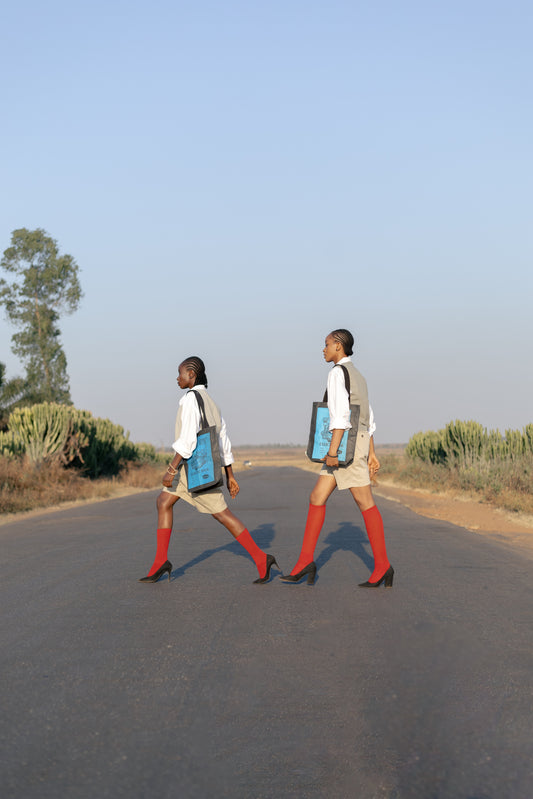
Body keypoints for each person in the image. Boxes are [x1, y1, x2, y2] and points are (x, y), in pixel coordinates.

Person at [139, 356, 279, 584]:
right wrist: (230, 475)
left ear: (191, 375)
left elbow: (187, 440)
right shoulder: (211, 402)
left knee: (222, 514)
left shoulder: (190, 399)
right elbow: (222, 441)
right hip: (196, 466)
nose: (177, 378)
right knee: (163, 502)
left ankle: (262, 558)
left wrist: (171, 469)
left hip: (195, 468)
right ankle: (160, 561)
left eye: (180, 373)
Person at [281, 329, 393, 587]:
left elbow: (341, 417)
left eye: (327, 344)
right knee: (316, 498)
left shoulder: (336, 373)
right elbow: (369, 419)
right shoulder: (359, 376)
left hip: (343, 447)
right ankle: (305, 561)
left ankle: (383, 566)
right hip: (358, 443)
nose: (323, 349)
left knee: (365, 502)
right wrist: (372, 452)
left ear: (339, 346)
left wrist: (332, 452)